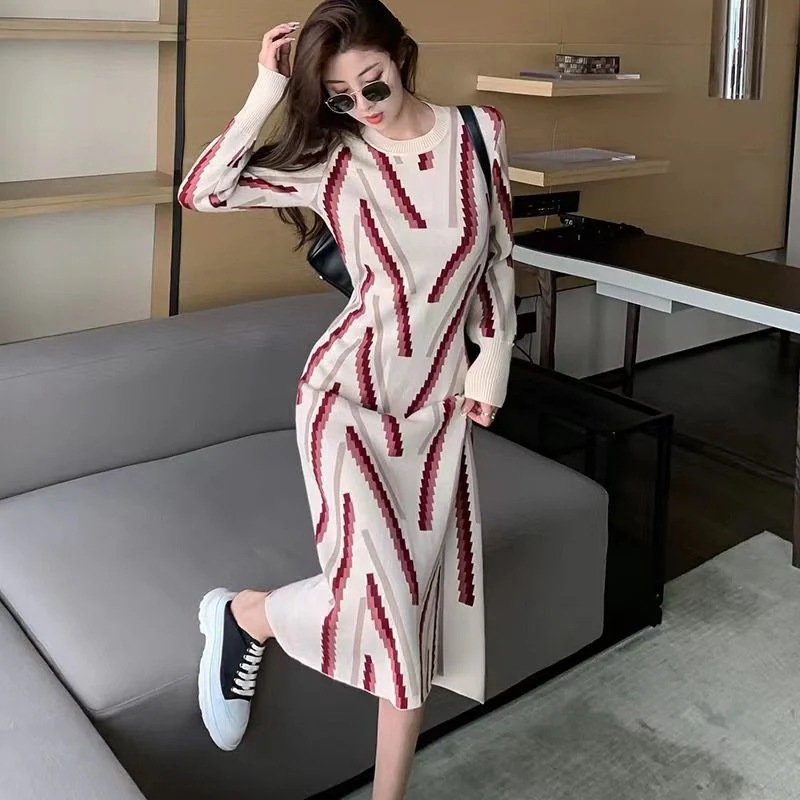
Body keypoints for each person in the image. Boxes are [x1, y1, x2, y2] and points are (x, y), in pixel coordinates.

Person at [178, 0, 516, 797]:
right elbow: (203, 192)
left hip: (436, 408)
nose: (363, 106)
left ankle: (247, 617)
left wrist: (492, 363)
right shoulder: (334, 159)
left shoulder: (479, 133)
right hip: (345, 398)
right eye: (340, 97)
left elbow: (498, 257)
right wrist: (265, 91)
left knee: (412, 617)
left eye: (375, 84)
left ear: (402, 55)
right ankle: (245, 619)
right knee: (391, 607)